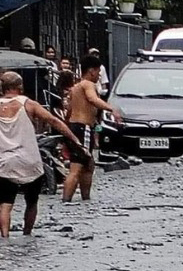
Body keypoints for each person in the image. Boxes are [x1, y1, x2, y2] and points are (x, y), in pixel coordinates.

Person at [0, 71, 82, 238]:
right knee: (32, 202)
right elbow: (54, 121)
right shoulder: (29, 104)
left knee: (5, 204)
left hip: (4, 163)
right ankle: (27, 234)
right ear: (20, 87)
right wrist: (75, 140)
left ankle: (5, 238)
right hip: (29, 162)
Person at [63, 54, 121, 202]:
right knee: (77, 167)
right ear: (91, 71)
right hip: (83, 128)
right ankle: (67, 200)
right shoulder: (88, 85)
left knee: (88, 164)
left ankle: (85, 199)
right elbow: (93, 99)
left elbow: (69, 111)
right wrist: (111, 109)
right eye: (98, 71)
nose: (99, 75)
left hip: (75, 127)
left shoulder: (75, 87)